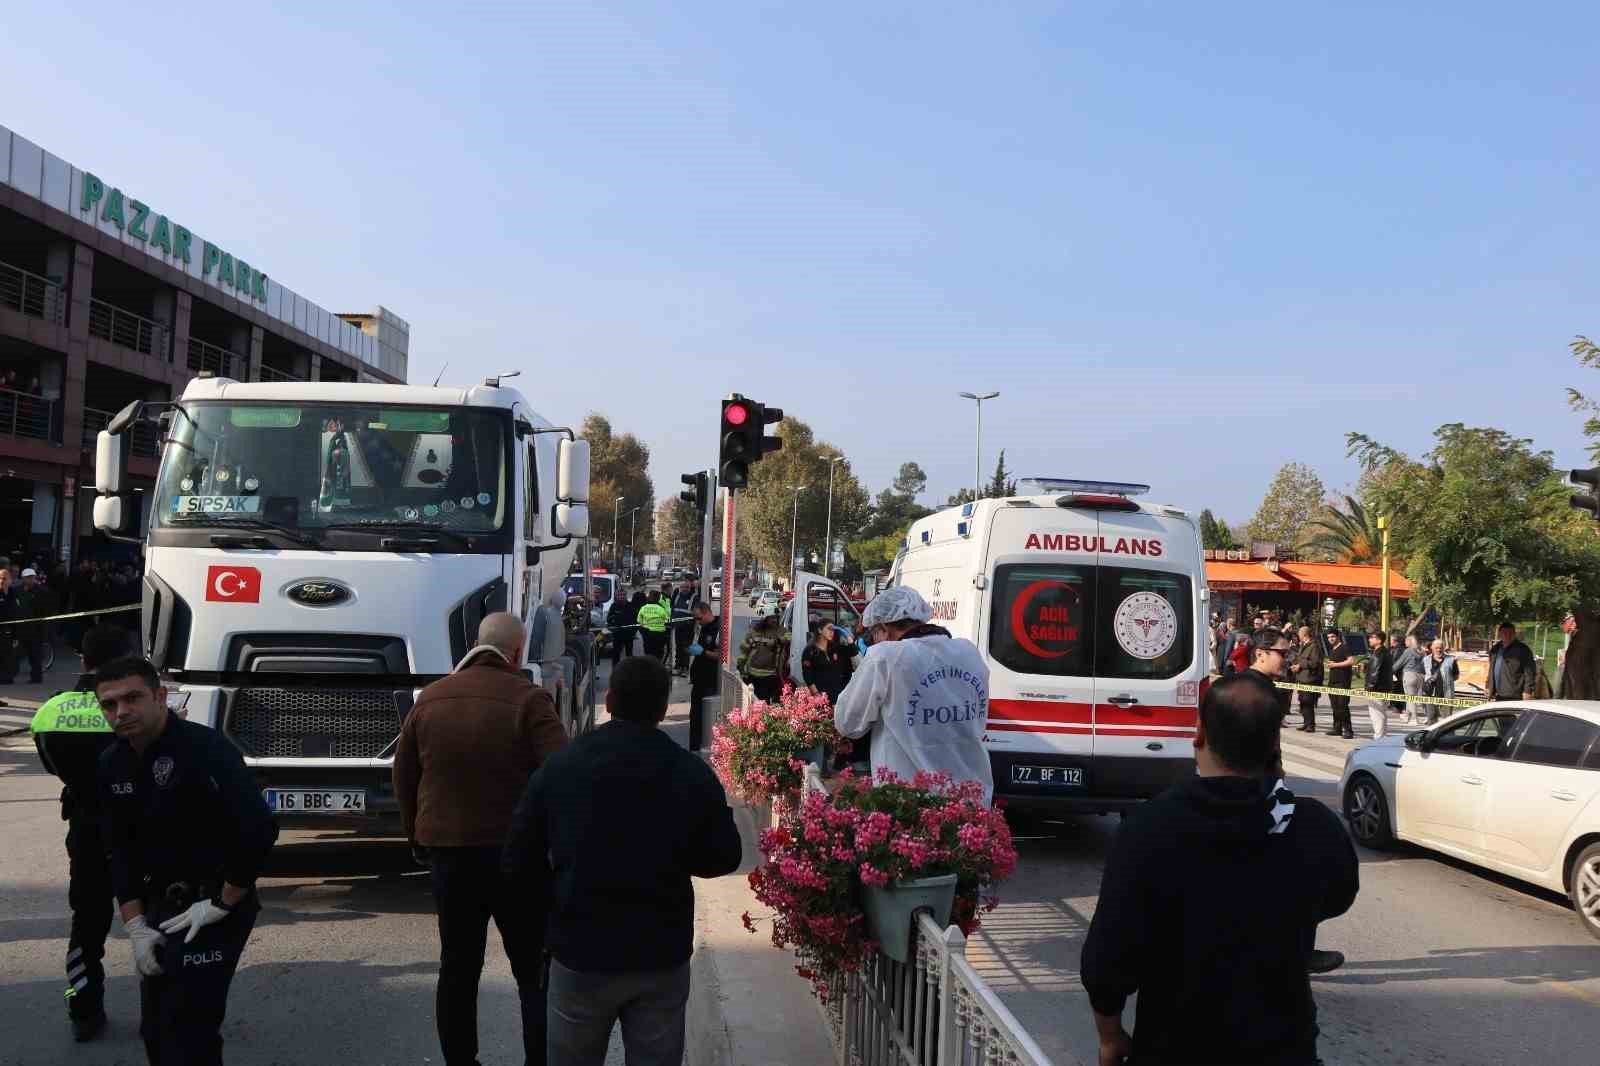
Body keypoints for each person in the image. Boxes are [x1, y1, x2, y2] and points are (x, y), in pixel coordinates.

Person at [1080, 675, 1358, 1066]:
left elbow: (1107, 961)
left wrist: (1110, 1037)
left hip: (1173, 1048)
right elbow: (1338, 895)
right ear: (1276, 744)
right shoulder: (1312, 826)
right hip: (1283, 1049)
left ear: (1199, 734)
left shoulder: (1149, 827)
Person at [503, 656, 743, 1066]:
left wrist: (548, 920)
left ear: (609, 700)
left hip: (579, 950)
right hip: (659, 954)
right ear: (663, 708)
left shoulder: (561, 767)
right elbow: (724, 856)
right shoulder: (689, 772)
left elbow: (518, 859)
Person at [393, 613, 567, 1066]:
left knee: (458, 966)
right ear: (516, 651)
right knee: (533, 970)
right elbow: (561, 776)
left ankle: (460, 1061)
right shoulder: (531, 701)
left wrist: (417, 835)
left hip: (450, 855)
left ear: (475, 643)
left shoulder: (429, 699)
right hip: (519, 860)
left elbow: (404, 776)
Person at [95, 655, 278, 1065]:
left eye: (132, 698)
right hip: (161, 906)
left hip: (213, 903)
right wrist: (136, 925)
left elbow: (259, 828)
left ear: (160, 697)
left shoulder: (205, 748)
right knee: (156, 1030)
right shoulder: (112, 763)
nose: (121, 711)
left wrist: (223, 901)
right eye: (109, 704)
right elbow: (119, 851)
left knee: (188, 1030)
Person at [29, 624, 132, 1041]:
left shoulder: (52, 709)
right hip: (139, 827)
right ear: (124, 658)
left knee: (87, 922)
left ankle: (84, 1008)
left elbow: (52, 766)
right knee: (157, 918)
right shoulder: (134, 707)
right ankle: (167, 1008)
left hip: (86, 828)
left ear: (83, 660)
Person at [833, 586, 993, 802]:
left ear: (884, 629)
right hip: (972, 800)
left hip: (909, 805)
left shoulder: (885, 657)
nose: (874, 641)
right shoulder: (968, 652)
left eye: (874, 635)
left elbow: (847, 723)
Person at [14, 566, 59, 684]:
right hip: (20, 627)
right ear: (23, 578)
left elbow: (48, 608)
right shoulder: (16, 590)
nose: (30, 580)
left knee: (35, 654)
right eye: (27, 577)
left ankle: (36, 677)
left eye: (32, 577)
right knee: (17, 652)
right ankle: (9, 674)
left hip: (36, 628)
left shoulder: (42, 591)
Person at [686, 601, 721, 752]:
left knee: (704, 719)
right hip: (699, 680)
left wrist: (703, 652)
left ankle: (704, 748)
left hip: (709, 681)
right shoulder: (704, 627)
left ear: (707, 612)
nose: (697, 622)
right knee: (694, 718)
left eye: (699, 618)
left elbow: (721, 656)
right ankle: (693, 749)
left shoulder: (719, 629)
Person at [1245, 627, 1293, 725]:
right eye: (1283, 654)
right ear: (1260, 654)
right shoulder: (1253, 692)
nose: (1288, 660)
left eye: (1289, 654)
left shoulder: (1268, 688)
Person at [801, 621, 855, 705]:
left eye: (833, 630)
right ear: (820, 630)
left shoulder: (835, 648)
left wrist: (846, 635)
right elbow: (807, 675)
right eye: (829, 629)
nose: (832, 632)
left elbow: (853, 652)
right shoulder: (810, 650)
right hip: (822, 696)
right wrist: (816, 694)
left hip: (839, 694)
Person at [736, 613, 785, 702]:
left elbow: (790, 636)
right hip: (753, 675)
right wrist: (741, 670)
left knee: (763, 702)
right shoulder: (754, 632)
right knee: (753, 701)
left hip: (770, 675)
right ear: (765, 619)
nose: (774, 620)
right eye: (772, 618)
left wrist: (778, 640)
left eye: (776, 618)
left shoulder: (780, 631)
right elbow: (744, 651)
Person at [1486, 622, 1538, 703]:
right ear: (1500, 634)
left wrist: (1528, 691)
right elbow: (1491, 670)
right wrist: (1488, 686)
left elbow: (1530, 672)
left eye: (1510, 633)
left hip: (1515, 697)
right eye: (1505, 633)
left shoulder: (1523, 650)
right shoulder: (1495, 649)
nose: (1507, 635)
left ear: (1514, 634)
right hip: (1498, 696)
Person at [1288, 625, 1323, 732]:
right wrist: (1296, 666)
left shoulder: (1314, 646)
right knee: (1302, 702)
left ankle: (1311, 725)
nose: (1298, 636)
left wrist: (1300, 665)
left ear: (1304, 635)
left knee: (1308, 702)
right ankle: (1305, 723)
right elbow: (1300, 659)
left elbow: (1315, 662)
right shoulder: (1303, 645)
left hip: (1309, 679)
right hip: (1301, 678)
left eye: (1299, 634)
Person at [1323, 632, 1357, 739]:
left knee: (1343, 706)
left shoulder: (1344, 647)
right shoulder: (1332, 650)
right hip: (1332, 681)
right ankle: (1337, 728)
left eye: (1333, 636)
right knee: (1335, 706)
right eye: (1328, 637)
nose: (1330, 639)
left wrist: (1335, 665)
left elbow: (1351, 661)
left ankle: (1348, 730)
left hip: (1343, 682)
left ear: (1338, 637)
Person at [1364, 631, 1394, 740]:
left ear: (1379, 640)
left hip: (1377, 689)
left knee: (1377, 715)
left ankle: (1379, 737)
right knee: (1381, 714)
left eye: (1372, 637)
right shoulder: (1386, 652)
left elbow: (1374, 673)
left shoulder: (1378, 654)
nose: (1369, 639)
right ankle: (1382, 736)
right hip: (1384, 688)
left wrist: (1369, 687)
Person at [1422, 639, 1458, 724]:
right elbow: (1423, 674)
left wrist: (1446, 680)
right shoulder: (1425, 660)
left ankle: (1448, 736)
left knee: (1447, 721)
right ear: (1432, 648)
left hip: (1446, 694)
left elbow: (1456, 676)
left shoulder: (1451, 660)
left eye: (1441, 648)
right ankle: (1431, 737)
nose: (1439, 650)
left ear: (1444, 648)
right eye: (1436, 648)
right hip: (1430, 694)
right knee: (1431, 719)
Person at [1394, 634, 1426, 726]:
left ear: (1410, 641)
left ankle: (1414, 718)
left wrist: (1390, 671)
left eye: (1406, 641)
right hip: (1421, 676)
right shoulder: (1421, 651)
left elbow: (1400, 663)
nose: (1404, 642)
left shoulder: (1408, 651)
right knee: (1414, 697)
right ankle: (1407, 715)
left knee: (1410, 698)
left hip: (1409, 675)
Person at [636, 590, 670, 664]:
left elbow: (639, 621)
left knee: (648, 653)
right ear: (658, 599)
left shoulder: (643, 608)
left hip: (647, 634)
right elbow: (667, 620)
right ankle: (657, 669)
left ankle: (649, 668)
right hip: (659, 634)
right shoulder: (661, 609)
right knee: (658, 654)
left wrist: (643, 631)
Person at [607, 592, 637, 666]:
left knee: (629, 655)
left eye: (623, 595)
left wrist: (633, 632)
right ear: (616, 596)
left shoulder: (631, 606)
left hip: (629, 634)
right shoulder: (614, 606)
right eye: (619, 595)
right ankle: (615, 671)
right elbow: (609, 619)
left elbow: (636, 620)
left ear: (626, 596)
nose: (621, 597)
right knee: (616, 655)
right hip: (617, 634)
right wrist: (613, 624)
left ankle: (629, 671)